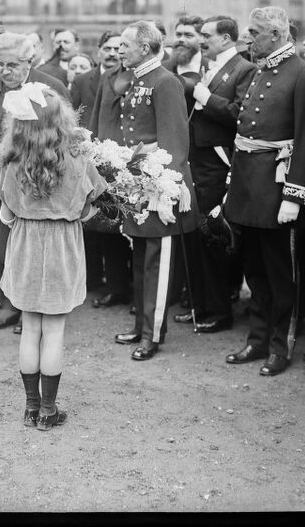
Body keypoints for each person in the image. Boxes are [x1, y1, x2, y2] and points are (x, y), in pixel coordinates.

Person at [0, 83, 106, 429]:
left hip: (25, 243)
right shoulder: (78, 159)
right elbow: (87, 211)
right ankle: (48, 410)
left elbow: (6, 212)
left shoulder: (9, 160)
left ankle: (29, 406)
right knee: (53, 331)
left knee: (30, 329)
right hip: (62, 247)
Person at [223, 6, 305, 376]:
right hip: (249, 185)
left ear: (277, 35)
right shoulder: (259, 71)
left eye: (254, 32)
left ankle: (282, 346)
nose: (247, 38)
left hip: (278, 188)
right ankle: (258, 338)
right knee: (254, 270)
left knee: (281, 273)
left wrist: (295, 196)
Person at [91, 20, 196, 361]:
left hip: (158, 183)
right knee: (140, 257)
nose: (119, 50)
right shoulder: (136, 79)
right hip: (136, 180)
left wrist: (167, 190)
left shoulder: (165, 82)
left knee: (157, 261)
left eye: (125, 45)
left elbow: (174, 140)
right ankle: (142, 325)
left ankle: (152, 334)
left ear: (147, 48)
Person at [0, 32, 69, 331]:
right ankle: (10, 298)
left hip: (37, 180)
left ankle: (29, 308)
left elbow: (68, 133)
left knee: (31, 246)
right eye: (1, 64)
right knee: (2, 243)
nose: (7, 72)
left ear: (30, 60)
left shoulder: (51, 87)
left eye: (14, 65)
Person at [171, 15, 256, 334]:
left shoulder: (244, 69)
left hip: (219, 163)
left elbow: (241, 115)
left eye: (207, 35)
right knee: (196, 236)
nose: (201, 40)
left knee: (212, 237)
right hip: (198, 161)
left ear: (227, 38)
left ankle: (220, 311)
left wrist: (208, 99)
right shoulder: (207, 65)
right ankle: (201, 304)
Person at [70, 31, 130, 310]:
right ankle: (110, 285)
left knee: (126, 225)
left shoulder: (131, 77)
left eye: (119, 47)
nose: (112, 52)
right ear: (99, 50)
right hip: (100, 158)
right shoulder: (90, 80)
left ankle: (127, 285)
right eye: (107, 47)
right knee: (103, 225)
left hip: (125, 158)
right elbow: (88, 117)